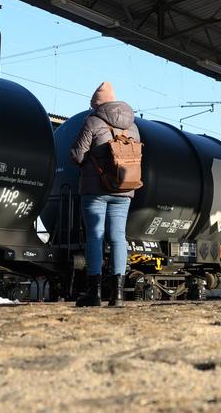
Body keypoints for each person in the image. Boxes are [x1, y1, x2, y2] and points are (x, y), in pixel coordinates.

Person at [69, 81, 139, 308]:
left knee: (95, 237)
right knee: (119, 237)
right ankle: (118, 294)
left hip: (95, 189)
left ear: (97, 104)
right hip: (124, 188)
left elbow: (78, 155)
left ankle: (94, 292)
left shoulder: (93, 121)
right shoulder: (133, 126)